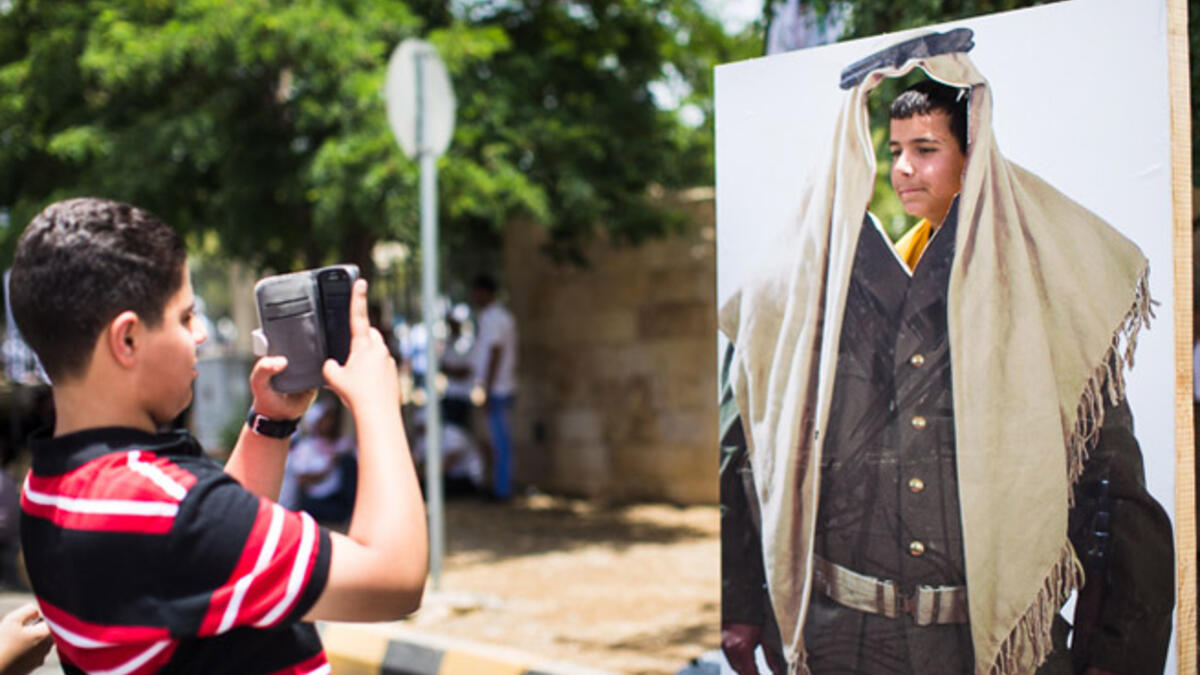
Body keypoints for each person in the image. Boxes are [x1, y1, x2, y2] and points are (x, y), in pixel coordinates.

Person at [719, 41, 1173, 675]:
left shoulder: (1045, 273)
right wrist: (737, 601)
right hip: (842, 642)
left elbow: (1112, 485)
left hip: (1000, 644)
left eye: (926, 150)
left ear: (971, 154)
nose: (905, 169)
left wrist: (1123, 655)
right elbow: (742, 449)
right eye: (895, 151)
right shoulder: (797, 282)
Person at [11, 197, 427, 673]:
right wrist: (377, 403)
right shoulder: (162, 510)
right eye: (186, 317)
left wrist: (270, 425)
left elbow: (209, 558)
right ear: (127, 340)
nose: (201, 334)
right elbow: (395, 578)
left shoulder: (48, 492)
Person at [469, 275, 519, 501]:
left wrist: (486, 389)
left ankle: (502, 489)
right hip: (499, 387)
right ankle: (498, 485)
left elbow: (495, 353)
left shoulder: (494, 318)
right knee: (497, 441)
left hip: (497, 389)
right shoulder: (497, 317)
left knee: (500, 443)